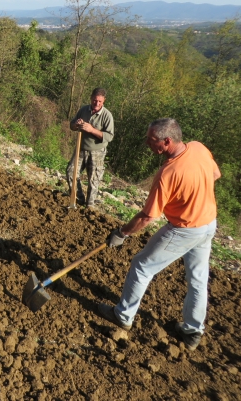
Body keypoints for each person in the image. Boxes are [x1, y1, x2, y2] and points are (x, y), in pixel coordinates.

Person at [98, 118, 220, 351]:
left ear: (167, 141)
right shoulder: (198, 147)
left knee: (142, 265)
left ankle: (123, 315)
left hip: (184, 229)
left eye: (151, 140)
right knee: (198, 279)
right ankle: (193, 330)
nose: (147, 143)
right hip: (208, 224)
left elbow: (148, 217)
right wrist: (193, 194)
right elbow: (215, 174)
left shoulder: (168, 173)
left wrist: (122, 233)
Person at [67, 87, 114, 208]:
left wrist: (92, 130)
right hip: (81, 149)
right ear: (91, 98)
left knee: (93, 180)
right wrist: (76, 125)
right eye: (95, 100)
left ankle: (89, 206)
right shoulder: (83, 110)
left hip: (97, 152)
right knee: (71, 172)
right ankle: (79, 198)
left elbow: (109, 137)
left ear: (104, 101)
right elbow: (72, 125)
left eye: (100, 101)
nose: (97, 103)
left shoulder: (107, 115)